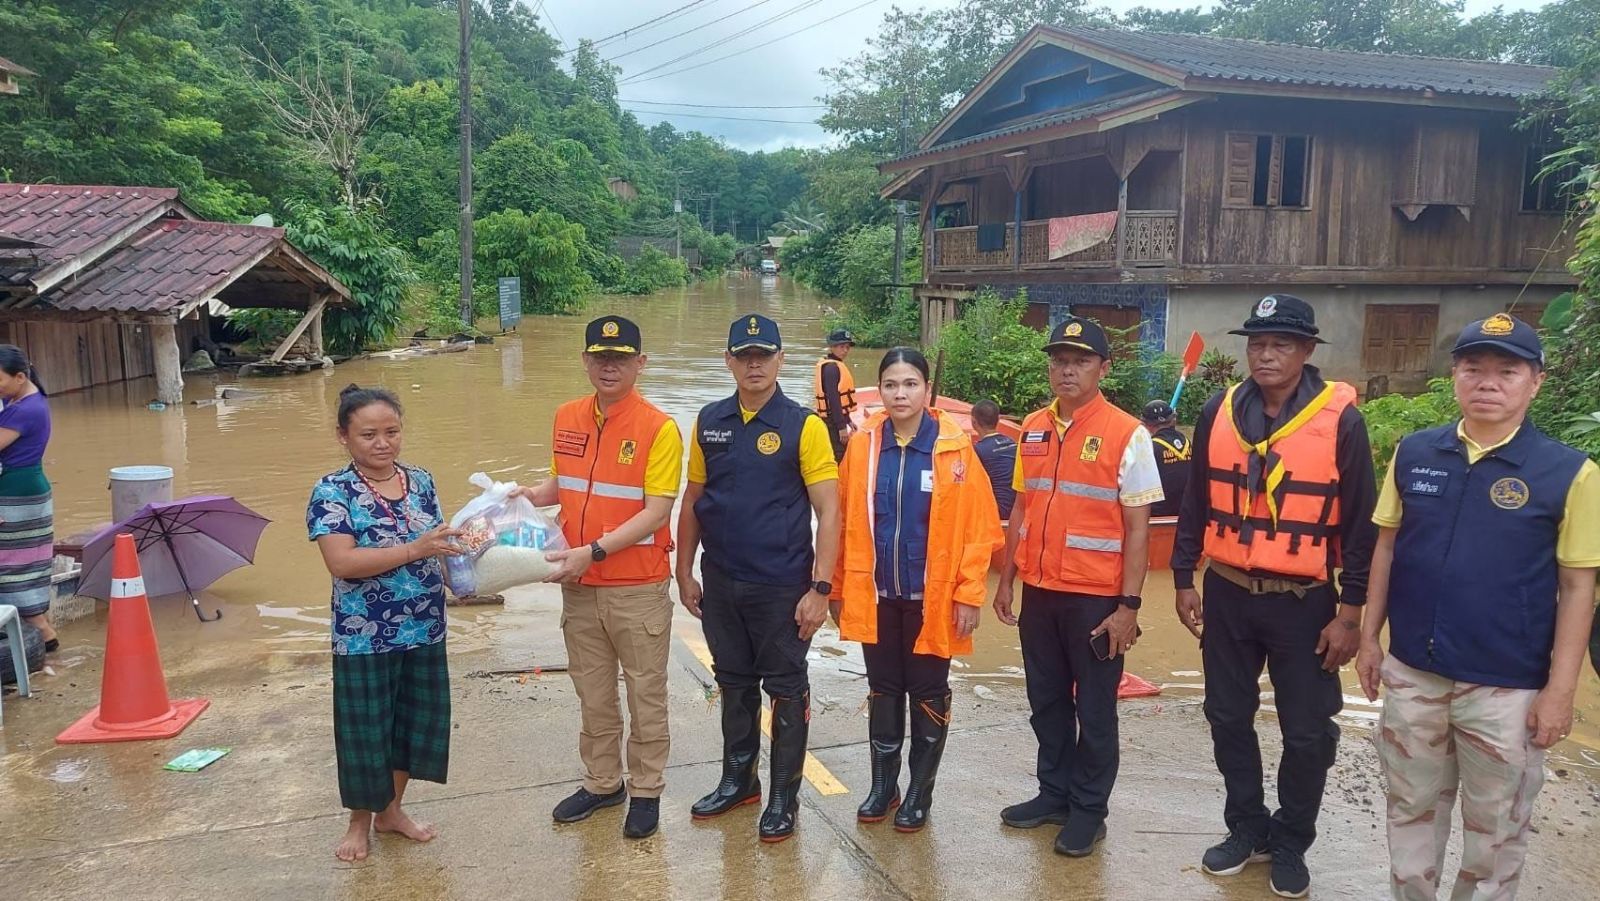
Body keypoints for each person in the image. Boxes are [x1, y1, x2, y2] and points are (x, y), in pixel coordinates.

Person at [1356, 314, 1600, 901]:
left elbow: (1578, 587)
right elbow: (1386, 547)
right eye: (1473, 368)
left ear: (1535, 382)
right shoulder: (1415, 452)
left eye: (1507, 371)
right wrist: (1369, 640)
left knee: (1496, 834)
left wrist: (1560, 690)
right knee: (1410, 812)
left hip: (1506, 689)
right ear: (1455, 376)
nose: (1487, 382)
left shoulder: (1571, 473)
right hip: (1414, 674)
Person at [1170, 294, 1377, 899]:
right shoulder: (1218, 410)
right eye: (1257, 344)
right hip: (1228, 592)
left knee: (1308, 731)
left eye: (1280, 344)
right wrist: (1182, 577)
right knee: (1227, 716)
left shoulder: (1342, 420)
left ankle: (1291, 840)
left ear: (1306, 350)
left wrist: (1350, 615)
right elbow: (1196, 499)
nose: (1265, 355)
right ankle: (1247, 827)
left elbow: (1360, 525)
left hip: (1304, 601)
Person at [992, 315, 1163, 858]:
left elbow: (1139, 529)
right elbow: (1022, 507)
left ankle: (1089, 811)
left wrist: (1128, 606)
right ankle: (1054, 794)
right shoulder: (1032, 427)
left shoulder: (1128, 433)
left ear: (1103, 368)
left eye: (1081, 361)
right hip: (1040, 592)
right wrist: (1007, 578)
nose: (1068, 370)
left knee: (1094, 709)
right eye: (1060, 361)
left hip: (1096, 598)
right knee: (1045, 701)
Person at [514, 316, 683, 840]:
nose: (610, 367)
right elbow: (563, 483)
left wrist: (594, 551)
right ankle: (603, 783)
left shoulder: (659, 428)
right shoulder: (567, 416)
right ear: (585, 360)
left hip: (636, 586)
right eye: (600, 357)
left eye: (621, 358)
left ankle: (647, 790)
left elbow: (656, 511)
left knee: (645, 694)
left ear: (640, 363)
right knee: (593, 693)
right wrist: (526, 495)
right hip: (579, 585)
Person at [677, 313, 841, 843]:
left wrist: (820, 588)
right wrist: (684, 570)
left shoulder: (803, 426)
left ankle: (783, 797)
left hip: (781, 585)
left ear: (780, 360)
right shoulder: (709, 421)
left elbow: (829, 511)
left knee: (786, 688)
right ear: (728, 361)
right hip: (722, 580)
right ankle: (739, 781)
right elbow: (694, 499)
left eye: (764, 355)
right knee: (734, 682)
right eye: (744, 355)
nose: (754, 364)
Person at [832, 348, 1003, 832]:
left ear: (927, 390)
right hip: (878, 596)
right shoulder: (863, 447)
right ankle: (883, 786)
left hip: (935, 600)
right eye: (890, 384)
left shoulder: (955, 450)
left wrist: (969, 594)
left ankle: (919, 793)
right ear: (880, 391)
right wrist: (838, 589)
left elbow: (979, 531)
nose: (900, 394)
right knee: (883, 689)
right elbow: (843, 523)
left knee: (928, 693)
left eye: (910, 384)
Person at [308, 384, 461, 863]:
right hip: (364, 634)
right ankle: (359, 822)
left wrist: (463, 575)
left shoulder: (422, 481)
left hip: (425, 626)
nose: (382, 443)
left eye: (391, 432)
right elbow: (342, 562)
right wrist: (415, 549)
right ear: (344, 436)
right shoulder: (333, 491)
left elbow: (440, 544)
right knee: (366, 732)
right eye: (368, 434)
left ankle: (391, 812)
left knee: (414, 724)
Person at [0, 347, 55, 652]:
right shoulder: (23, 400)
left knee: (11, 569)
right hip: (25, 488)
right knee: (22, 565)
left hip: (16, 493)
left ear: (20, 377)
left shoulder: (24, 410)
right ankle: (44, 640)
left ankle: (43, 636)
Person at [813, 328, 859, 461]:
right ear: (832, 347)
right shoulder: (831, 368)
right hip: (832, 422)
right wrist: (841, 427)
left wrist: (848, 420)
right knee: (838, 455)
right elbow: (833, 400)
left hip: (835, 419)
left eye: (847, 347)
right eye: (841, 346)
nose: (845, 350)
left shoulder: (834, 364)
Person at [1141, 400, 1190, 518]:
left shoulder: (1149, 447)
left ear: (1146, 425)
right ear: (1172, 420)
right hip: (1187, 512)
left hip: (1159, 516)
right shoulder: (1186, 442)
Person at [971, 399, 1018, 520]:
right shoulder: (1012, 443)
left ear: (974, 422)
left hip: (994, 512)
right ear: (998, 420)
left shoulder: (977, 450)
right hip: (1016, 510)